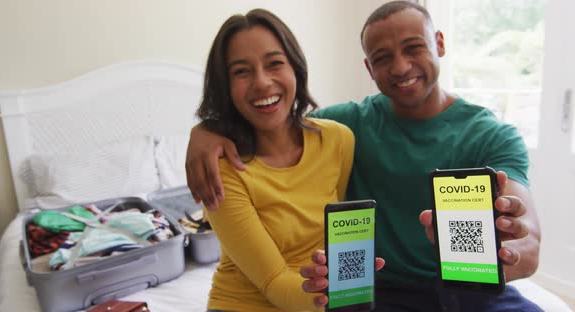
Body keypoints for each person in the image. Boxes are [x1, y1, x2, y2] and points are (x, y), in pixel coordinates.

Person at [186, 2, 541, 311]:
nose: (400, 67)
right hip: (386, 292)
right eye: (383, 58)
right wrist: (203, 131)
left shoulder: (491, 135)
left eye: (413, 48)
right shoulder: (350, 126)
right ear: (369, 69)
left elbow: (528, 243)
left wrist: (503, 255)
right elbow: (277, 123)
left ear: (440, 44)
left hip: (470, 290)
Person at [195, 8, 384, 312]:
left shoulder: (337, 140)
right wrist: (338, 294)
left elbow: (328, 231)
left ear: (295, 68)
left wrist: (346, 285)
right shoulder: (220, 167)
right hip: (247, 303)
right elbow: (275, 284)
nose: (261, 82)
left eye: (274, 64)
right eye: (241, 71)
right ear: (225, 86)